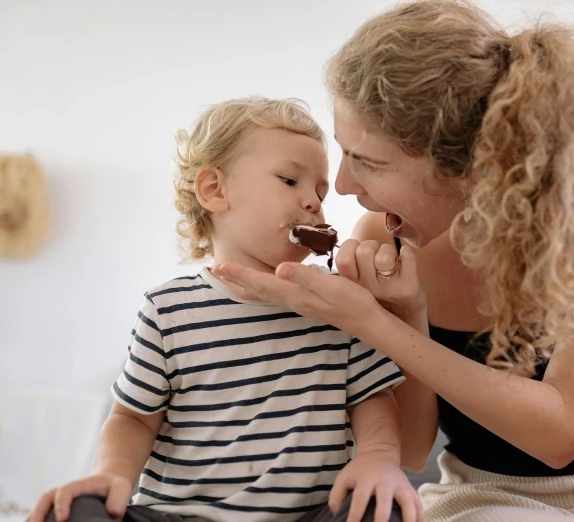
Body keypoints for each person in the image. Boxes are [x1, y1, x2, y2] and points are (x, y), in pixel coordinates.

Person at [211, 2, 574, 521]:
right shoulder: (383, 244)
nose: (342, 183)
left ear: (465, 165)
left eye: (369, 162)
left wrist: (370, 321)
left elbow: (561, 432)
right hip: (491, 500)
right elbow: (411, 449)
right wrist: (403, 315)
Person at [26, 97, 422, 522]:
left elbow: (374, 399)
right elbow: (134, 418)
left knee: (384, 508)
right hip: (179, 516)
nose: (313, 203)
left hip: (306, 516)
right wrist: (110, 476)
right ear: (214, 190)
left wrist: (379, 458)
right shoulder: (167, 310)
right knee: (71, 511)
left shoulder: (338, 302)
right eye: (290, 180)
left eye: (320, 193)